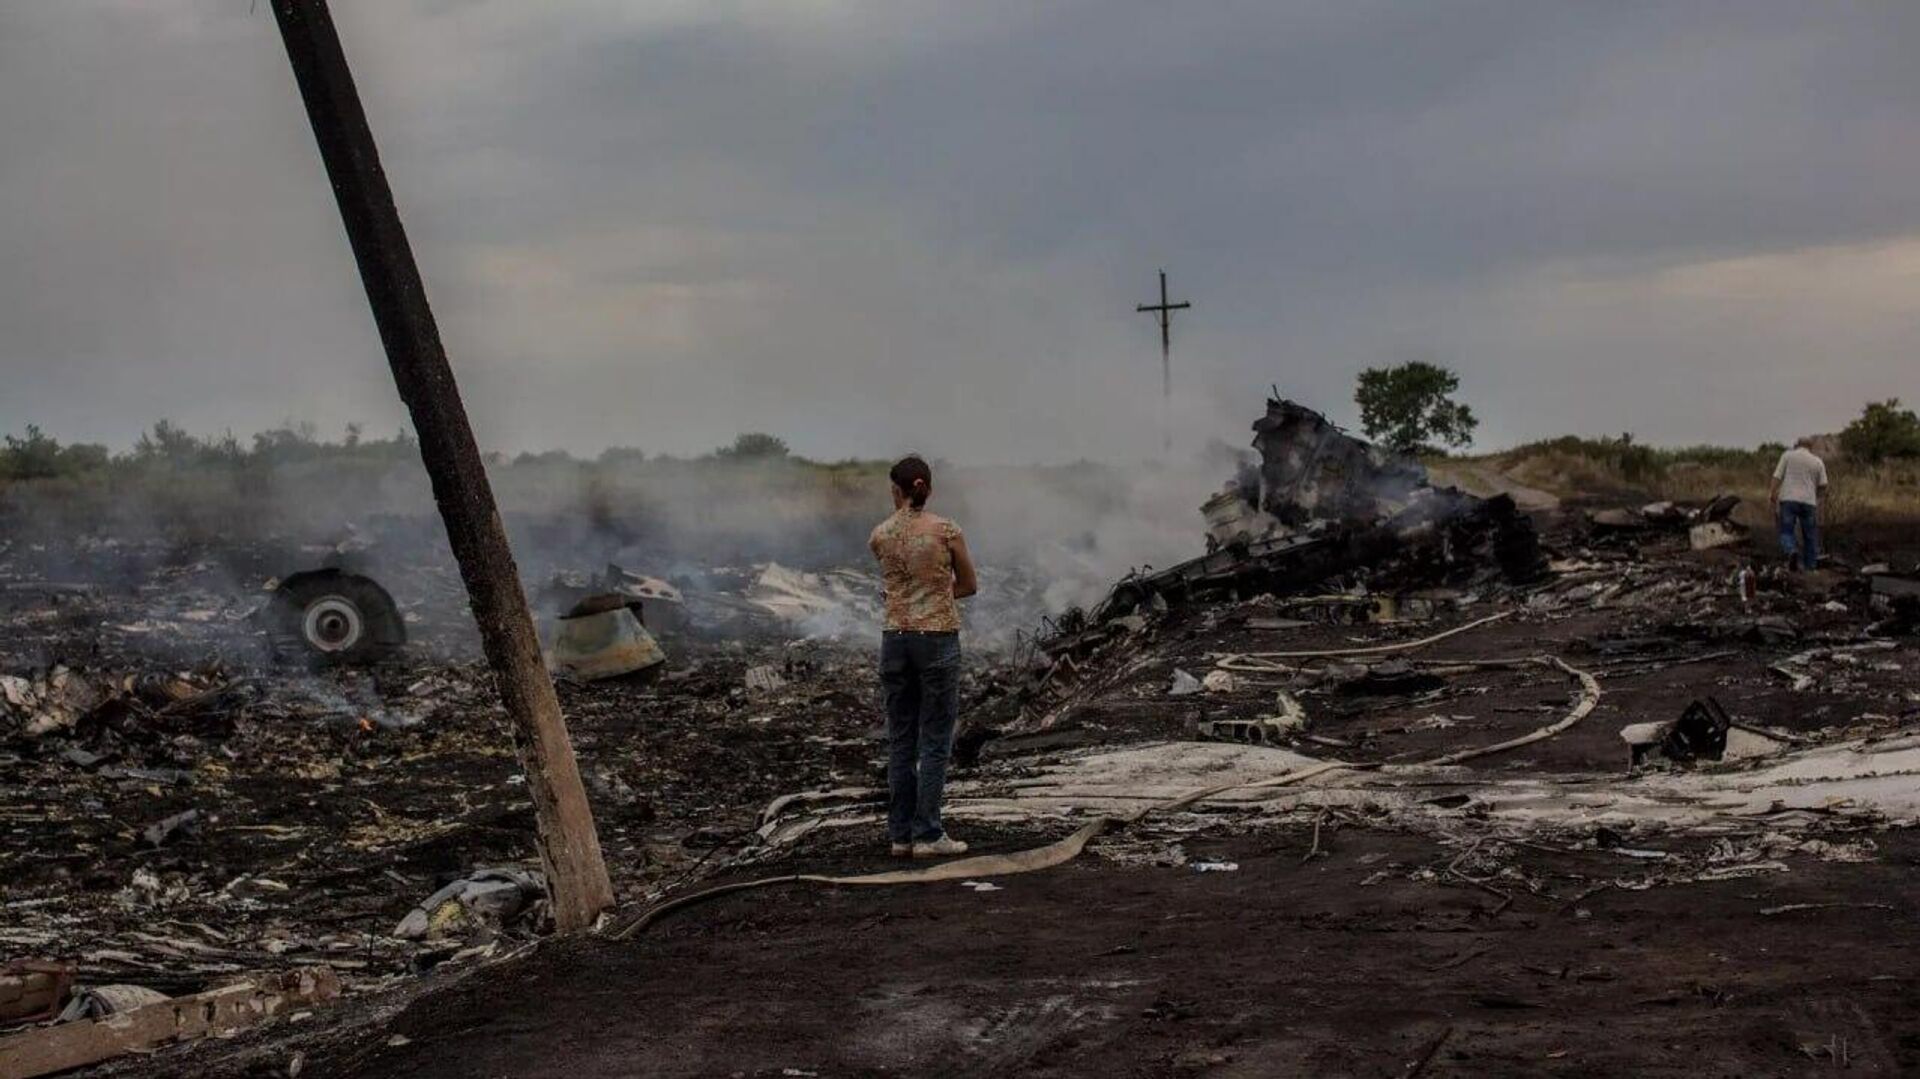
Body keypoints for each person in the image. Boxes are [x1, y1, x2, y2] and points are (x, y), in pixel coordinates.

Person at [869, 455, 978, 858]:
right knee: (934, 738)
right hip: (935, 639)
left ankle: (900, 836)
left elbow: (894, 587)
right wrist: (937, 594)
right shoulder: (946, 530)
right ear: (926, 487)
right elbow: (968, 584)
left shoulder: (878, 535)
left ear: (896, 490)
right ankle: (929, 834)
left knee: (901, 738)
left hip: (893, 639)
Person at [1769, 437, 1829, 571]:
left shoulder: (1787, 456)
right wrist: (1817, 498)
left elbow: (1777, 477)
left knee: (1786, 531)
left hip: (1788, 499)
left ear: (1797, 445)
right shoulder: (1817, 461)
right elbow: (1823, 485)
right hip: (1809, 502)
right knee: (1810, 536)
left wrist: (1772, 494)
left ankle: (1791, 551)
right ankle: (1811, 568)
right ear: (1810, 447)